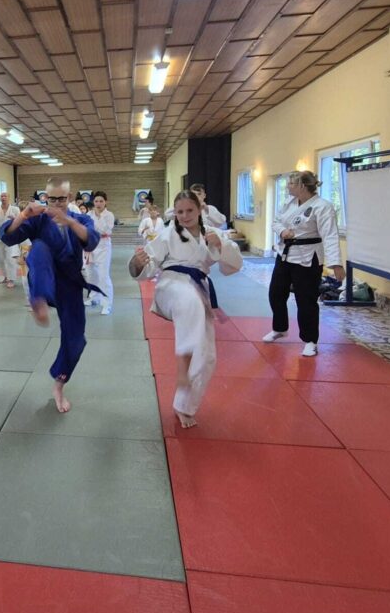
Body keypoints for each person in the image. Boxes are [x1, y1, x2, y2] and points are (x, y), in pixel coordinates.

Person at [129, 190, 242, 428]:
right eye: (180, 211)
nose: (184, 215)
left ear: (199, 209)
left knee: (208, 355)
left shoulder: (213, 233)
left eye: (189, 210)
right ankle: (182, 364)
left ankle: (184, 406)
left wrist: (220, 245)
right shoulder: (168, 233)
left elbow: (233, 266)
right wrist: (137, 263)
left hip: (199, 288)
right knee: (189, 299)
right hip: (171, 285)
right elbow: (147, 266)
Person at [1, 176, 100, 413]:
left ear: (69, 197)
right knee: (39, 248)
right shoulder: (39, 219)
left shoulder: (80, 218)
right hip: (44, 277)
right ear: (45, 197)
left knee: (76, 340)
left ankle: (59, 384)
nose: (56, 204)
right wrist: (24, 214)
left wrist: (69, 221)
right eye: (51, 199)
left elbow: (91, 241)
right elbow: (8, 236)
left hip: (70, 283)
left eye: (61, 199)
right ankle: (39, 300)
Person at [266, 170, 345, 356]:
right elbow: (276, 221)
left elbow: (330, 235)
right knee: (275, 293)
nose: (288, 186)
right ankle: (280, 328)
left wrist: (336, 264)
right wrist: (283, 231)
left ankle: (310, 340)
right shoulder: (289, 202)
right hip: (285, 253)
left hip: (308, 257)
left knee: (306, 299)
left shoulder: (322, 207)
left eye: (291, 184)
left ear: (302, 186)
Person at [87, 191, 115, 316]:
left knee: (103, 275)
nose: (98, 204)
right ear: (93, 202)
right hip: (90, 245)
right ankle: (94, 298)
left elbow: (105, 230)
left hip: (103, 246)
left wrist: (100, 216)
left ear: (105, 202)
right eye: (96, 201)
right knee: (91, 274)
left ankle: (107, 304)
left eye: (101, 201)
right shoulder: (89, 214)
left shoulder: (109, 215)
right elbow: (86, 228)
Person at [0, 192, 21, 288]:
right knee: (1, 259)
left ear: (9, 198)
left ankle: (11, 279)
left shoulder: (15, 209)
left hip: (11, 235)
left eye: (5, 196)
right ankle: (6, 277)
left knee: (10, 259)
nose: (3, 198)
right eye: (1, 196)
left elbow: (21, 221)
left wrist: (14, 218)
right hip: (0, 236)